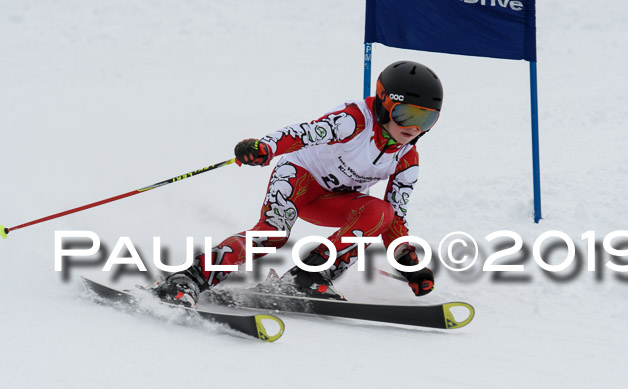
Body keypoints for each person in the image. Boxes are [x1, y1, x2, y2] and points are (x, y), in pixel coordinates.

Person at [154, 61, 443, 307]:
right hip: (300, 177)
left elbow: (395, 219)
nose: (414, 128)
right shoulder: (353, 120)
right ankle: (189, 279)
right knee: (273, 234)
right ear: (383, 103)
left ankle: (309, 275)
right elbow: (302, 133)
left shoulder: (408, 159)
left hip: (334, 201)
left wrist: (411, 266)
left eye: (426, 119)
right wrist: (264, 147)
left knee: (381, 213)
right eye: (406, 114)